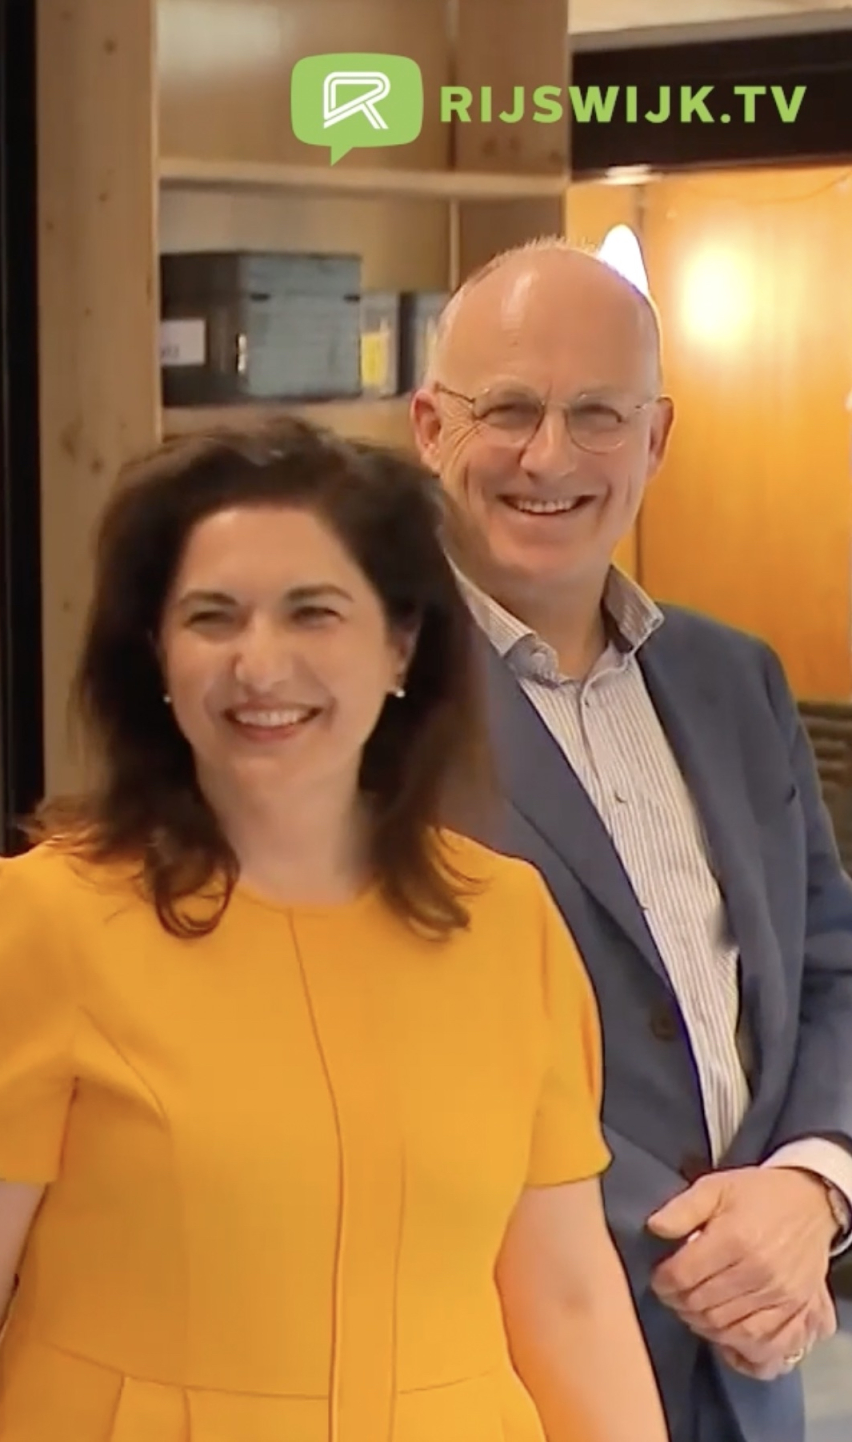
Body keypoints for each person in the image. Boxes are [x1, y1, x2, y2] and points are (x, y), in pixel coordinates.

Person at [0, 420, 668, 1442]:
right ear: (156, 656)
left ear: (399, 645)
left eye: (313, 613)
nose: (260, 664)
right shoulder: (42, 921)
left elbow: (567, 1296)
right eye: (211, 617)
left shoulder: (505, 922)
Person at [418, 237, 852, 1442]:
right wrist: (700, 1246)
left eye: (596, 415)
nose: (547, 456)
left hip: (753, 1365)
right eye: (505, 408)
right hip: (500, 1370)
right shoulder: (365, 709)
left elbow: (830, 963)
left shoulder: (732, 677)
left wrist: (811, 1184)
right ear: (427, 427)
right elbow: (387, 1045)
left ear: (654, 438)